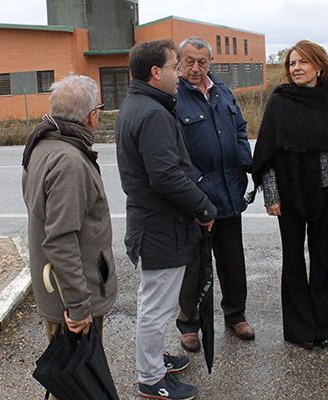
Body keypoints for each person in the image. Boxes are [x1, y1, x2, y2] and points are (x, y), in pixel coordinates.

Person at [116, 39, 217, 400]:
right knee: (156, 308)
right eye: (175, 66)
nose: (179, 74)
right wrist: (204, 207)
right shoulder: (152, 113)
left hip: (155, 224)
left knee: (155, 302)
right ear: (156, 72)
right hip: (160, 227)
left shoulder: (140, 104)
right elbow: (166, 176)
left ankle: (155, 359)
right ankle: (151, 378)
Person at [251, 40, 328, 350]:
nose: (296, 68)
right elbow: (266, 154)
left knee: (321, 257)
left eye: (303, 62)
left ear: (319, 67)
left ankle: (321, 327)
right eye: (292, 63)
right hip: (289, 191)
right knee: (293, 258)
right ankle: (298, 329)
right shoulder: (279, 102)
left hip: (326, 190)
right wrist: (271, 196)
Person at [21, 75, 117, 345]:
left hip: (59, 292)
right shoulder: (69, 162)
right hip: (72, 299)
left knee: (70, 376)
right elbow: (61, 240)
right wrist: (78, 307)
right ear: (91, 117)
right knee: (79, 379)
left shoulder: (43, 145)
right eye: (97, 109)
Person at [174, 36, 255, 352]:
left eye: (202, 61)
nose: (196, 68)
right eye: (189, 61)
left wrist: (242, 164)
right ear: (179, 62)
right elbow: (176, 150)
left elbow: (239, 129)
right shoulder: (175, 98)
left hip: (229, 191)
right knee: (194, 265)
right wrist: (196, 184)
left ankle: (235, 315)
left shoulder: (222, 91)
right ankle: (190, 325)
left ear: (210, 63)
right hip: (197, 197)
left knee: (233, 260)